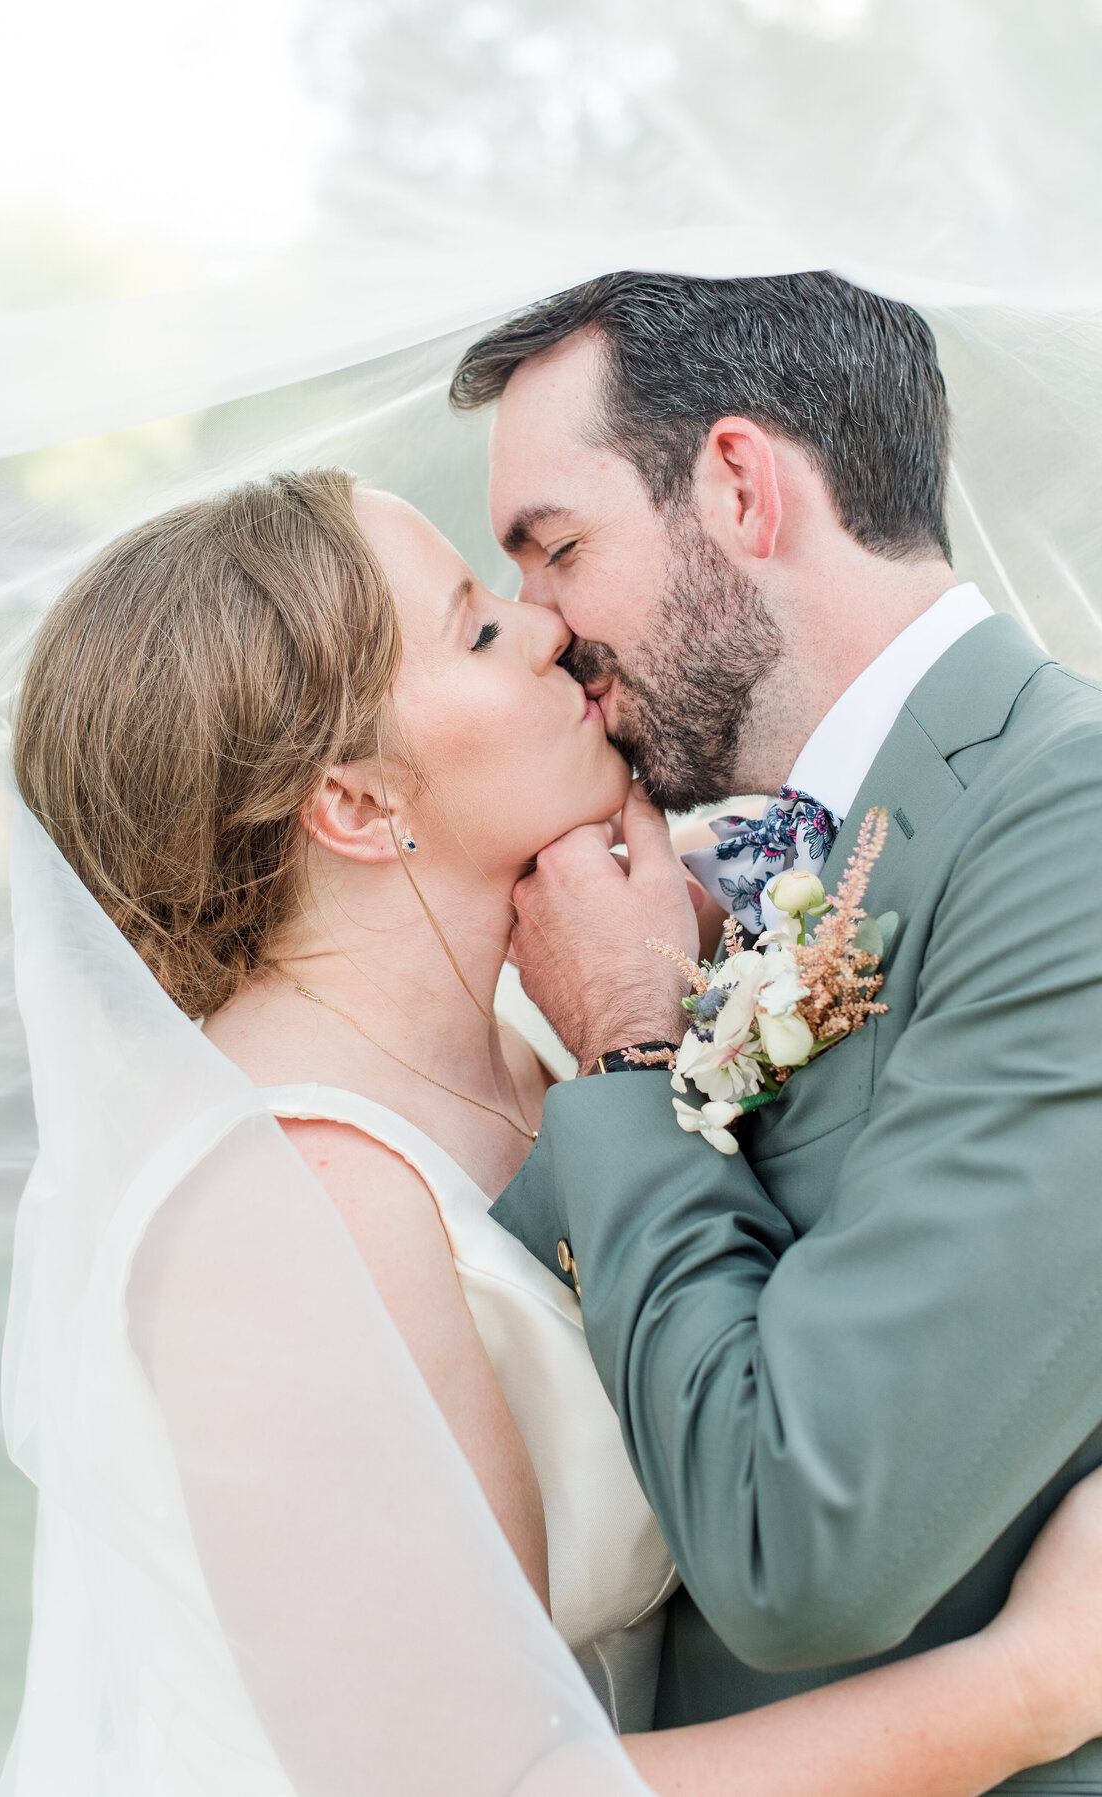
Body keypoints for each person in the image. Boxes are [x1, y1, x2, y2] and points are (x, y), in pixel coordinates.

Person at [4, 462, 1102, 1795]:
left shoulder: (549, 1019)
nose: (545, 625)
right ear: (355, 802)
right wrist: (1030, 1683)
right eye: (475, 626)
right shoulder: (284, 1204)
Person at [448, 270, 1102, 1791]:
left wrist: (626, 1043)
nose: (540, 632)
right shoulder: (773, 864)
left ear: (739, 486)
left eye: (557, 551)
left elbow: (805, 1537)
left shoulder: (1066, 824)